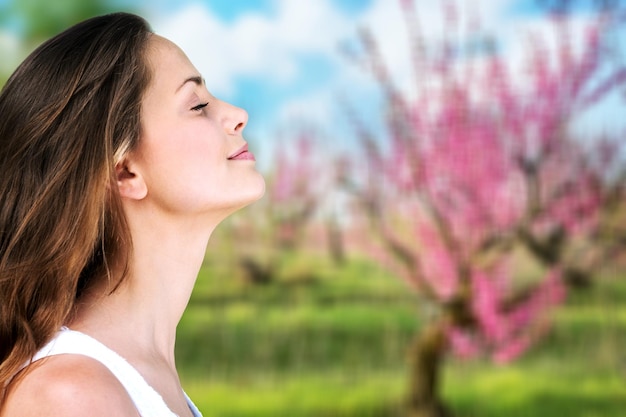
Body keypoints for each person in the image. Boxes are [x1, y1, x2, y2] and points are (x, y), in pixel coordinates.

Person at [0, 12, 265, 416]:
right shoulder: (70, 396)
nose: (236, 114)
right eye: (197, 105)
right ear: (125, 171)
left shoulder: (130, 380)